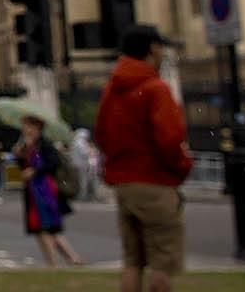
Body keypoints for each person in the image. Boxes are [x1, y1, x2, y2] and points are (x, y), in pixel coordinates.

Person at [95, 23, 192, 292]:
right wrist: (182, 168)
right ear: (153, 48)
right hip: (154, 181)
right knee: (161, 265)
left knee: (133, 262)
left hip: (124, 183)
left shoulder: (113, 89)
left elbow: (102, 133)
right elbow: (170, 139)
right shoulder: (154, 88)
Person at [17, 114, 85, 266]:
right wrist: (21, 154)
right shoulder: (25, 145)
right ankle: (72, 258)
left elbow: (54, 163)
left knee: (45, 228)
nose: (24, 129)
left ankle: (53, 263)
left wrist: (35, 171)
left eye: (27, 125)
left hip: (45, 191)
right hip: (32, 191)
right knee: (43, 229)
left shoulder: (45, 145)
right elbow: (22, 167)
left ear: (36, 127)